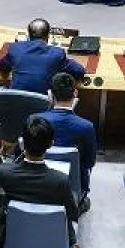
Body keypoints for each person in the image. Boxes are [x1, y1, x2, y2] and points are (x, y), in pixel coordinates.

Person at [0, 117, 81, 248]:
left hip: (15, 239)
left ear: (21, 143)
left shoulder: (4, 172)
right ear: (51, 144)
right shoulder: (61, 180)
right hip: (53, 242)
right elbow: (73, 213)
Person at [32, 73, 99, 206]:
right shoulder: (86, 126)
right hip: (72, 189)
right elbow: (89, 163)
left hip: (37, 186)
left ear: (50, 95)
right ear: (75, 93)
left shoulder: (34, 121)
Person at [0, 18, 85, 93]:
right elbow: (79, 71)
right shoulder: (57, 54)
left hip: (15, 103)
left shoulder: (15, 49)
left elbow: (1, 66)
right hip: (43, 106)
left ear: (28, 35)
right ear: (48, 36)